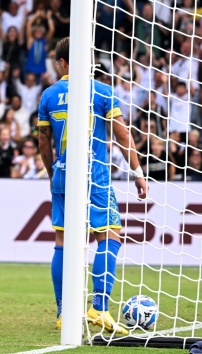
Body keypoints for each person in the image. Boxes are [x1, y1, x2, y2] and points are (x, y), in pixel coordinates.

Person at [37, 37, 147, 333]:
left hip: (62, 174)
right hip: (94, 174)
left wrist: (51, 175)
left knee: (63, 241)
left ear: (61, 63)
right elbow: (122, 135)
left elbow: (43, 142)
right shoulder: (101, 91)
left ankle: (63, 312)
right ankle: (98, 308)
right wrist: (137, 171)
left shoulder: (48, 95)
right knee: (109, 236)